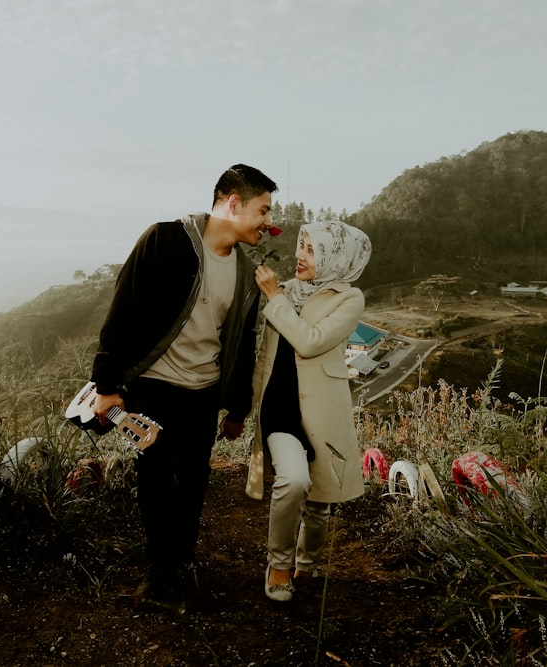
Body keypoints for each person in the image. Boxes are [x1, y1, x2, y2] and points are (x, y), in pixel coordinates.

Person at [90, 164, 278, 612]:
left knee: (194, 481)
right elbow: (123, 310)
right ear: (233, 202)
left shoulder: (246, 272)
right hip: (154, 386)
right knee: (155, 478)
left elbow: (241, 345)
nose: (268, 223)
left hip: (204, 391)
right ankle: (160, 576)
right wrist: (106, 384)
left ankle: (182, 559)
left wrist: (235, 408)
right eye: (263, 210)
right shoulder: (165, 240)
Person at [245, 220, 372, 602]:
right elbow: (264, 356)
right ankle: (279, 565)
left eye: (311, 249)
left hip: (323, 409)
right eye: (301, 246)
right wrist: (243, 409)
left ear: (336, 257)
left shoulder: (349, 298)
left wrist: (275, 300)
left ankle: (307, 563)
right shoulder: (283, 292)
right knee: (295, 480)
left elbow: (310, 342)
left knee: (320, 499)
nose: (299, 256)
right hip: (279, 406)